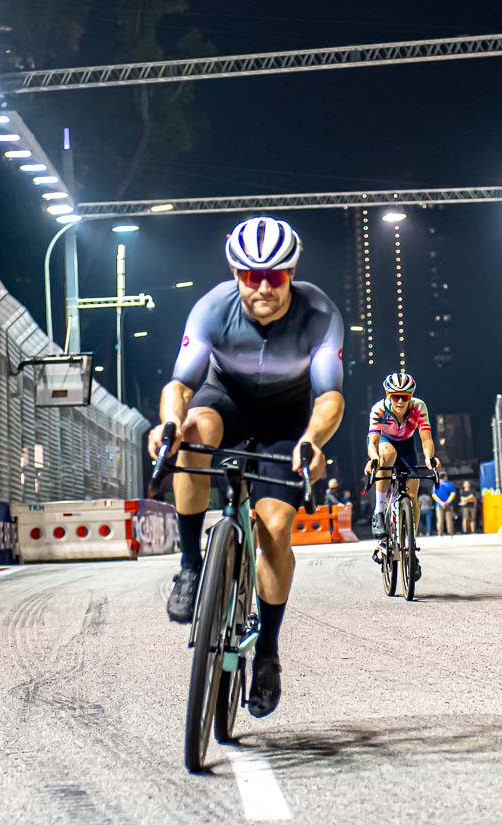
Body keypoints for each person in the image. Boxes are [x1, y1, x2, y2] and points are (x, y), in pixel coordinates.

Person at [149, 215, 344, 719]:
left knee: (276, 526)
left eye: (275, 276)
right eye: (249, 276)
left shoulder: (319, 312)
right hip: (225, 402)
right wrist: (169, 424)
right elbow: (181, 386)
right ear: (235, 274)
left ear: (292, 272)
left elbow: (330, 399)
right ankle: (191, 567)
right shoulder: (212, 308)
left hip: (287, 418)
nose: (262, 287)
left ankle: (269, 655)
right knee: (192, 433)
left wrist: (309, 442)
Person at [364, 371, 440, 581]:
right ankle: (379, 511)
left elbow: (426, 439)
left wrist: (429, 459)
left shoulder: (419, 407)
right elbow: (372, 442)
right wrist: (373, 459)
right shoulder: (379, 409)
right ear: (388, 395)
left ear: (411, 396)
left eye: (404, 396)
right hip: (385, 444)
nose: (399, 400)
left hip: (408, 446)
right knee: (387, 454)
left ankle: (411, 546)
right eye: (395, 396)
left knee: (412, 492)